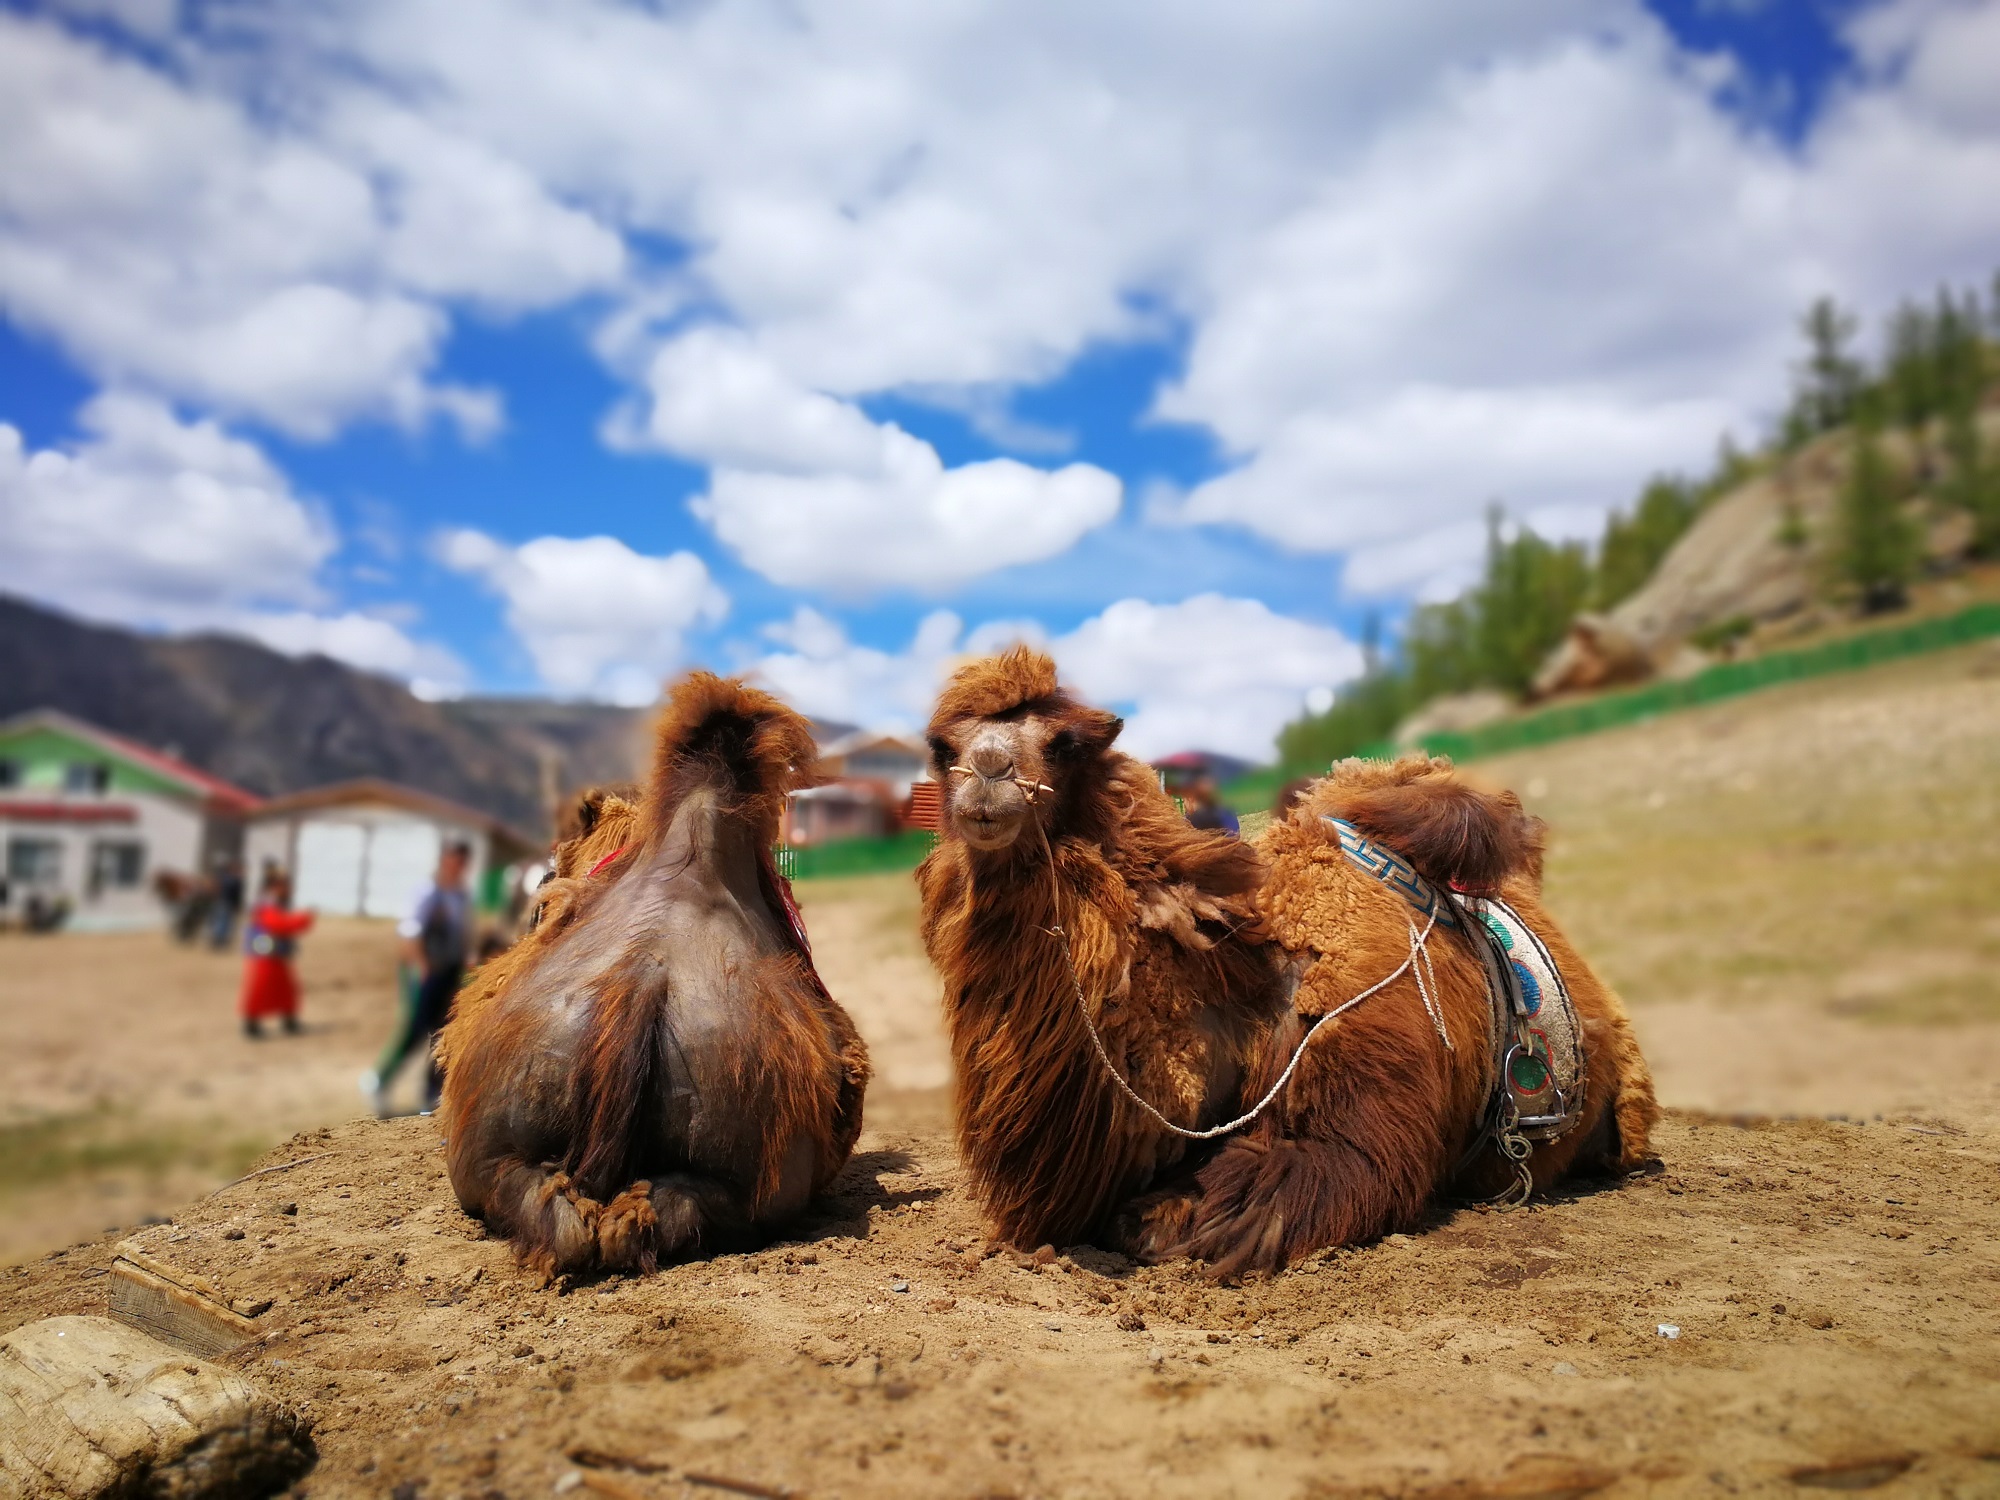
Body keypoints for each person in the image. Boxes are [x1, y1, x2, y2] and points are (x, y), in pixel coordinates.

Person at [362, 840, 472, 1116]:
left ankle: (431, 1093)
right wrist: (421, 966)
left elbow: (461, 935)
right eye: (454, 860)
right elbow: (410, 934)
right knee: (415, 1030)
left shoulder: (459, 896)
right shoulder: (427, 893)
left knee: (443, 1034)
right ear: (445, 861)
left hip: (450, 972)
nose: (457, 867)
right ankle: (379, 1081)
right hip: (426, 971)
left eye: (462, 862)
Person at [239, 868, 313, 1038]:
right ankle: (252, 1025)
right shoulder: (268, 904)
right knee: (263, 988)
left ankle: (288, 1021)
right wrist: (303, 919)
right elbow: (279, 924)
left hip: (270, 950)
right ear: (273, 887)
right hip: (266, 953)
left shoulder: (270, 903)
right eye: (284, 886)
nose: (288, 889)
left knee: (284, 988)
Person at [208, 856, 245, 951]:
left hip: (222, 902)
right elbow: (236, 894)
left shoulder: (222, 878)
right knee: (223, 923)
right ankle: (219, 942)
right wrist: (238, 905)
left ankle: (218, 941)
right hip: (226, 903)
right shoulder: (233, 879)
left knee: (222, 922)